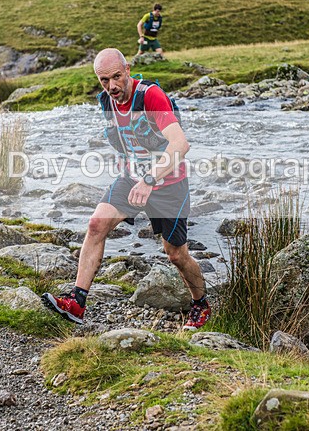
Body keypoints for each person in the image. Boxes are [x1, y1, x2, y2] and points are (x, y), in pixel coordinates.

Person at [41, 48, 211, 330]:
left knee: (176, 254)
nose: (112, 86)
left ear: (128, 69)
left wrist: (150, 180)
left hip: (168, 184)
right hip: (132, 179)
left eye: (116, 77)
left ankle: (200, 304)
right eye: (104, 80)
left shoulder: (151, 96)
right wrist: (138, 177)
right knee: (96, 224)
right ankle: (77, 302)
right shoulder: (106, 101)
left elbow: (180, 144)